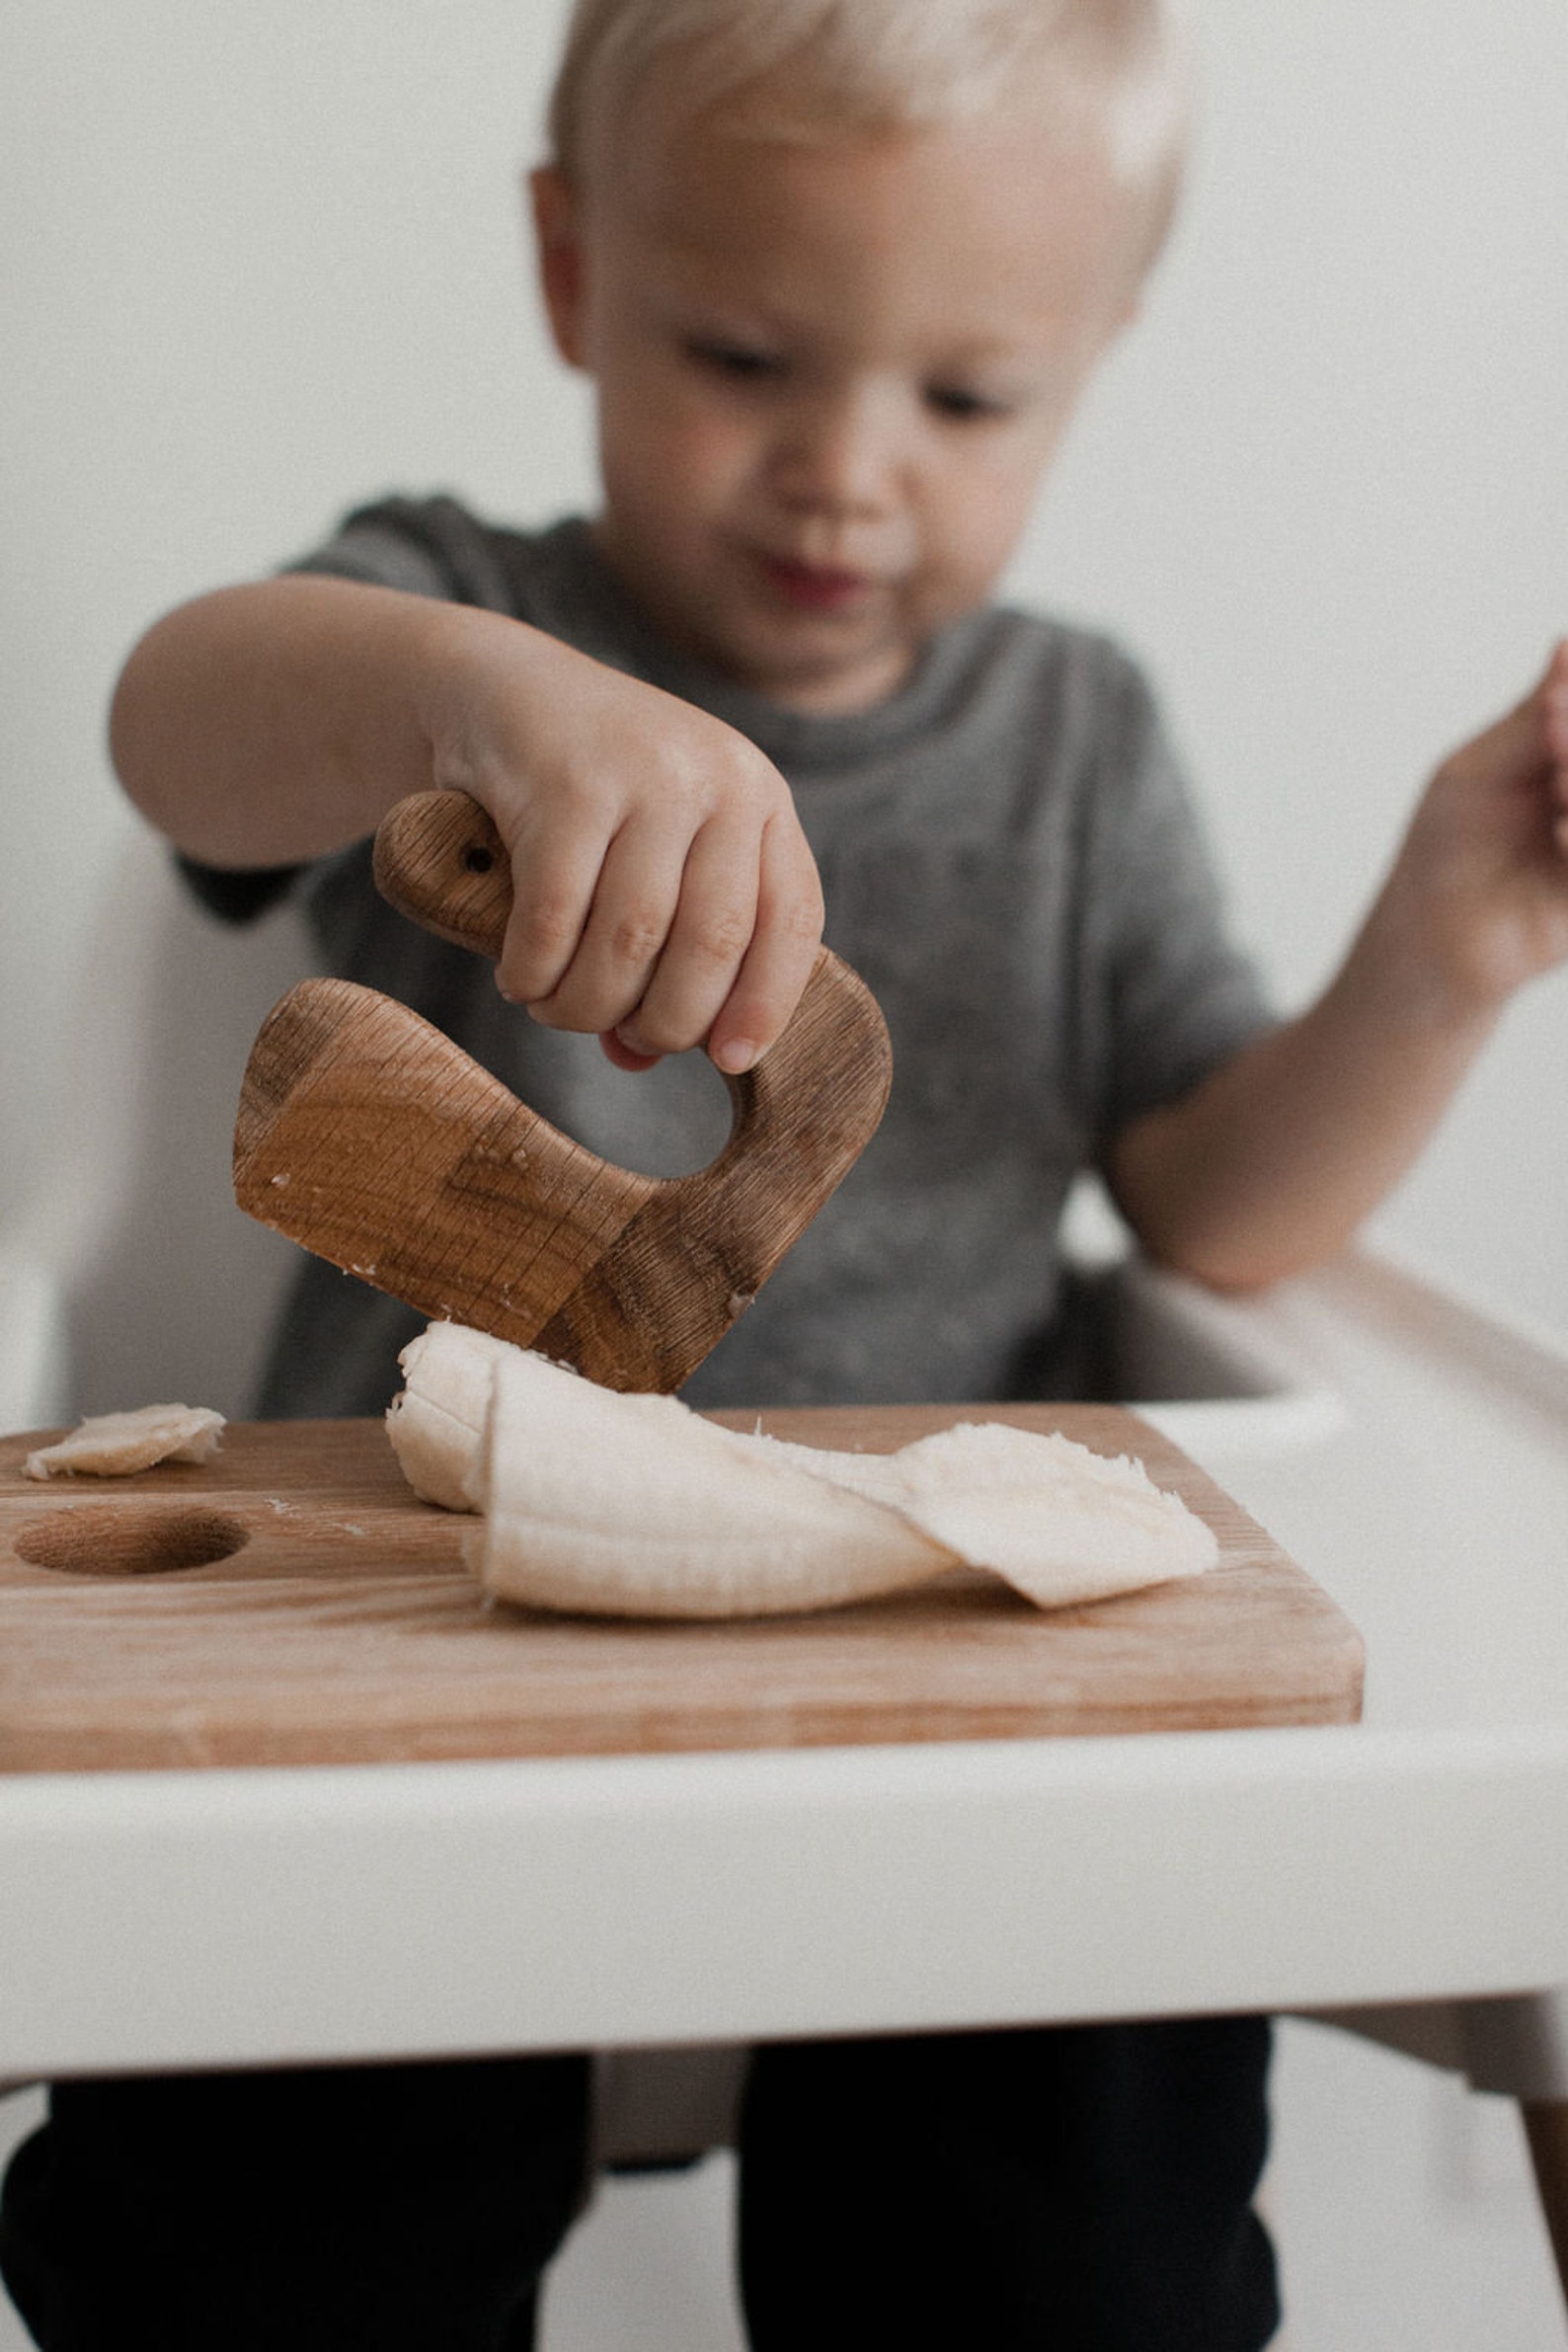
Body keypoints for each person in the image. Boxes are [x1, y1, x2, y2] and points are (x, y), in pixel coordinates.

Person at [5, 2, 1566, 2345]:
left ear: (1095, 356)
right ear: (573, 272)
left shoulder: (1076, 738)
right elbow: (171, 726)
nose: (842, 473)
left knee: (1073, 2244)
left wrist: (1439, 956)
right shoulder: (458, 622)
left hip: (949, 1649)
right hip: (422, 1620)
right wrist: (469, 697)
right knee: (261, 2224)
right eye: (741, 357)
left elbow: (1215, 1215)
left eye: (966, 398)